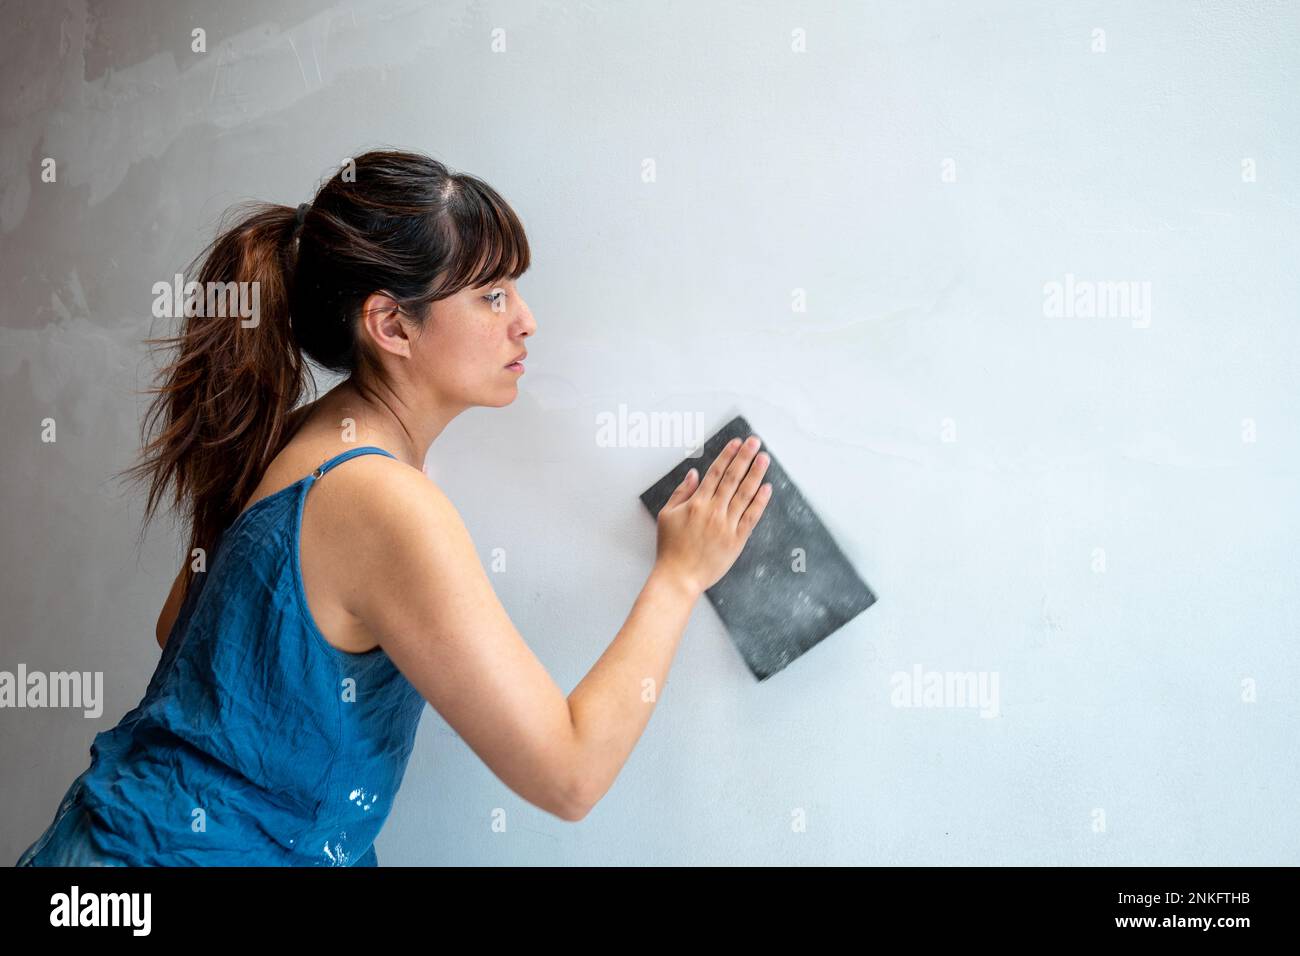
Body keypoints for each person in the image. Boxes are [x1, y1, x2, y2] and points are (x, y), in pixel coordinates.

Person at [15, 149, 773, 866]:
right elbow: (568, 775)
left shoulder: (301, 440)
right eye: (493, 295)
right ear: (390, 324)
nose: (526, 320)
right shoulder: (382, 500)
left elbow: (175, 630)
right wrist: (677, 579)